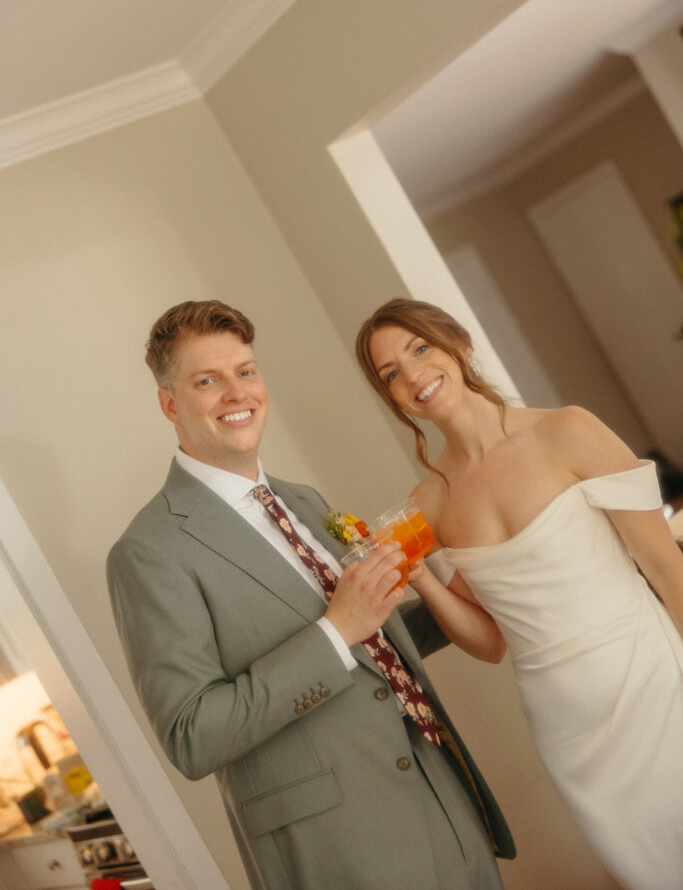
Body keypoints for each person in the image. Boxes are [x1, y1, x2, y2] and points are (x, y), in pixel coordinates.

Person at [107, 300, 514, 890]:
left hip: (444, 802)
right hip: (340, 851)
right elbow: (193, 735)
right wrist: (333, 633)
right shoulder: (148, 552)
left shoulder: (304, 502)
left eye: (245, 371)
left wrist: (451, 590)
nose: (235, 392)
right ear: (170, 403)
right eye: (206, 381)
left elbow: (371, 642)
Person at [355, 297, 683, 890]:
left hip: (657, 684)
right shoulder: (428, 503)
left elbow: (666, 568)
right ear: (393, 399)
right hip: (568, 730)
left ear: (456, 341)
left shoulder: (568, 431)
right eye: (391, 375)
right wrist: (420, 576)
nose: (413, 376)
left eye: (420, 348)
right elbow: (491, 642)